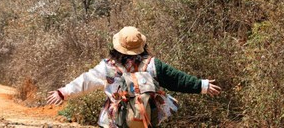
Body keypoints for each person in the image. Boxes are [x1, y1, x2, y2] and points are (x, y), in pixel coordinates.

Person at [46, 26, 222, 128]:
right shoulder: (152, 64)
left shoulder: (108, 67)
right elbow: (177, 79)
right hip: (146, 118)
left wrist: (63, 92)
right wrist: (202, 85)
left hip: (115, 120)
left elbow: (85, 81)